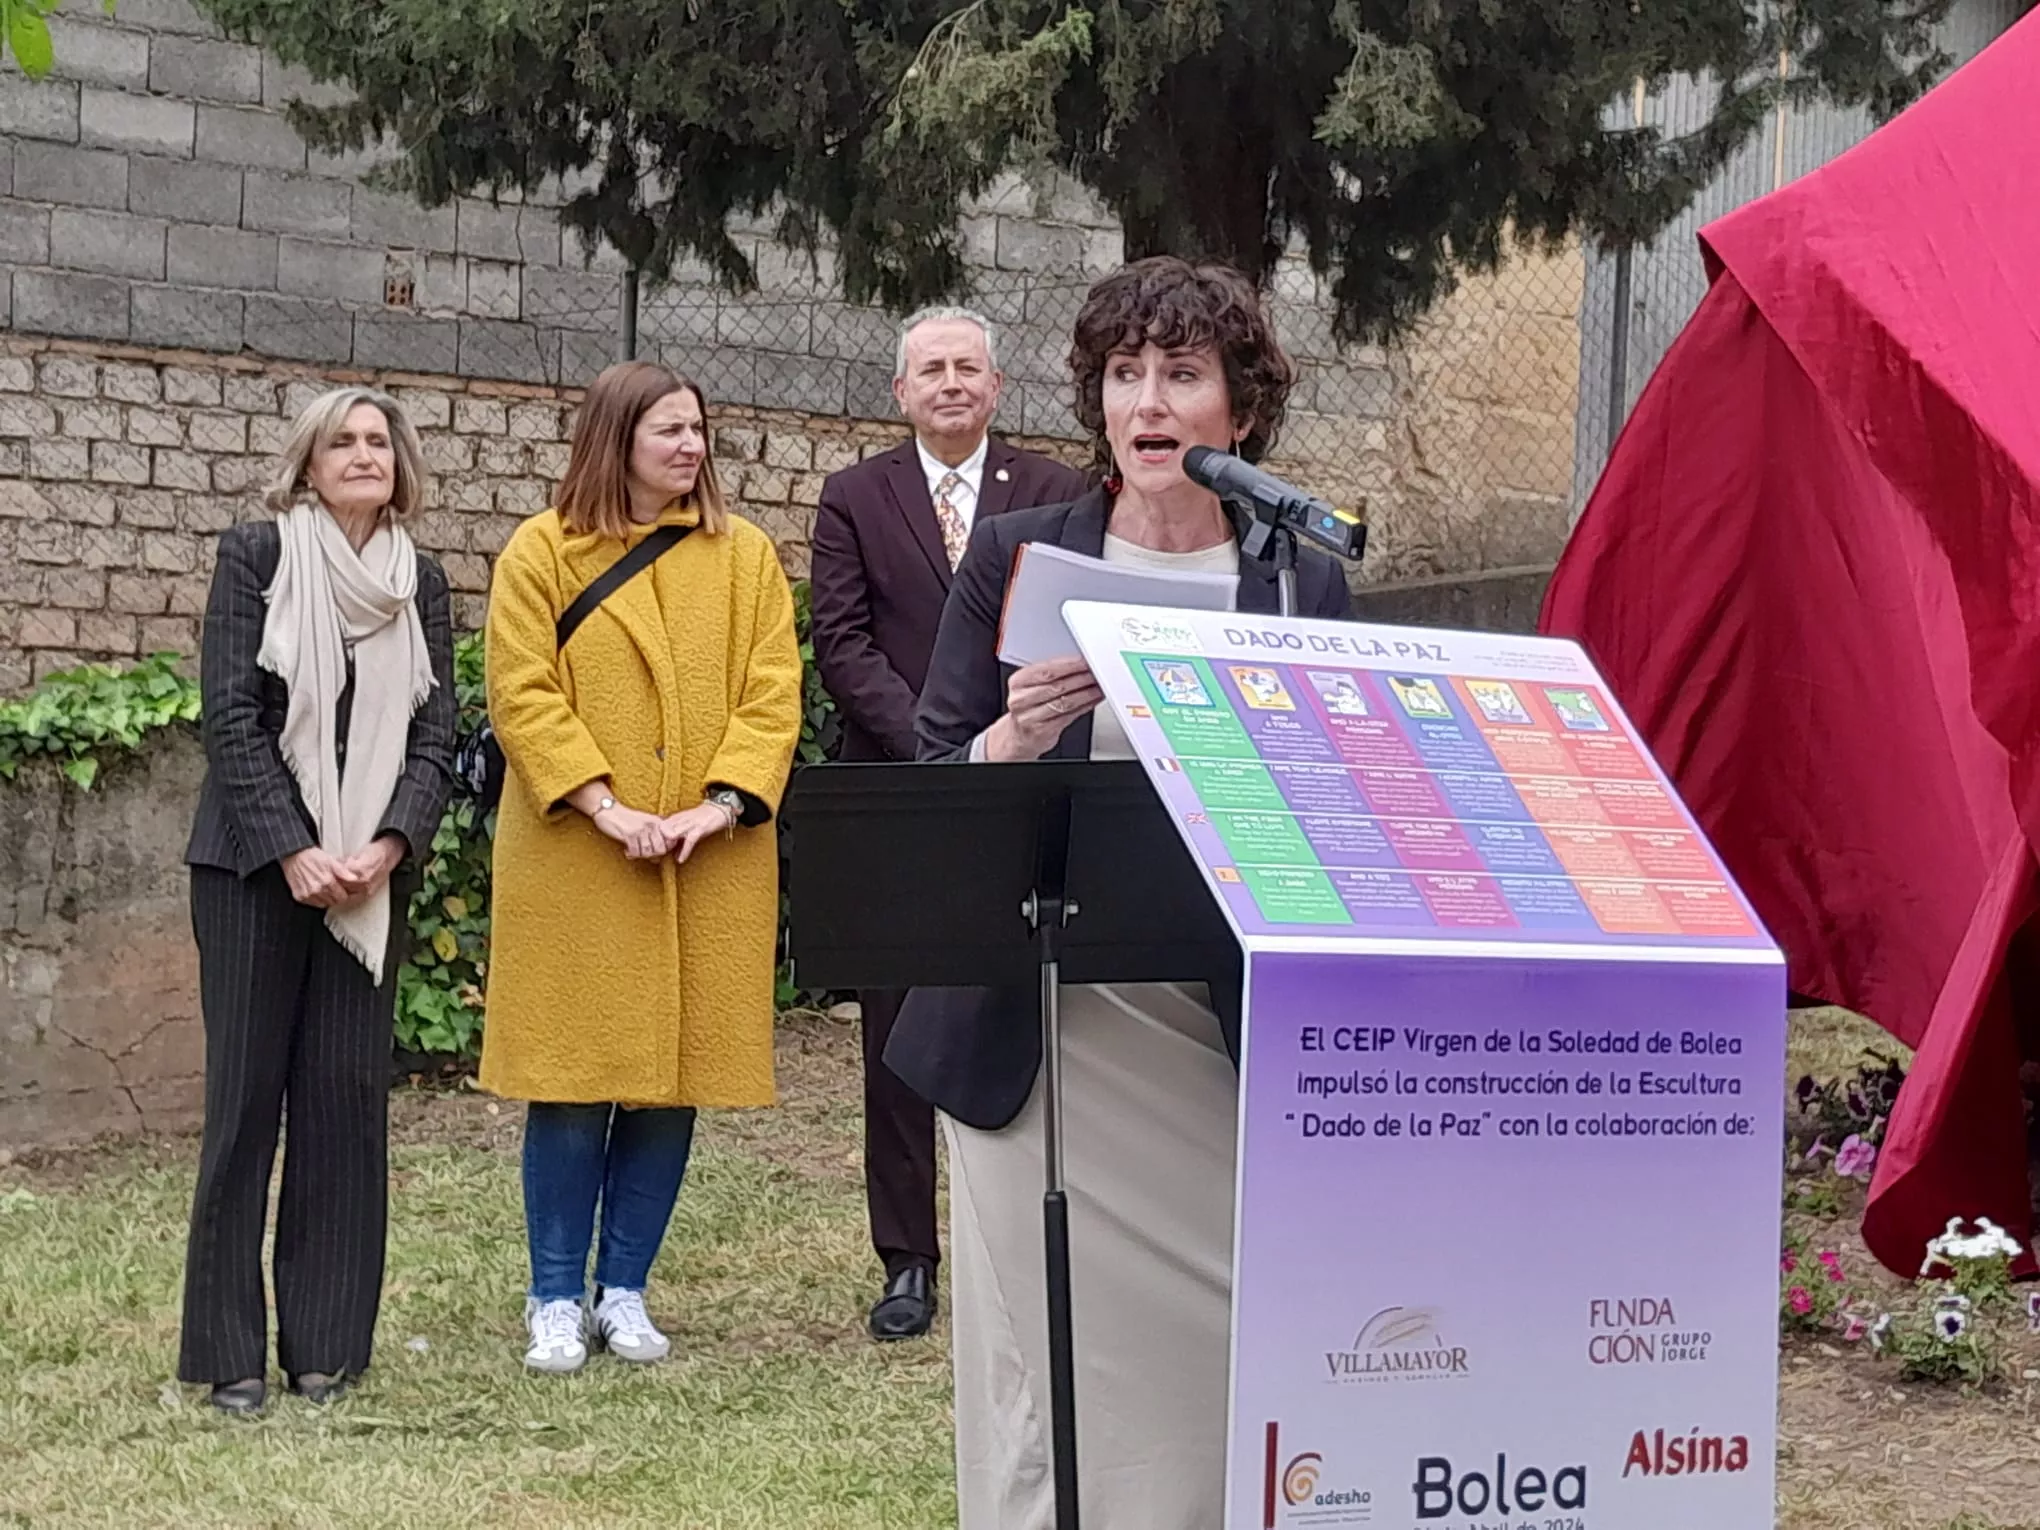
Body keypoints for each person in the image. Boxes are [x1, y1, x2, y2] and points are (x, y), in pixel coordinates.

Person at [899, 257, 1354, 1525]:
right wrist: (1013, 737)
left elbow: (1328, 824)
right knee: (1042, 1381)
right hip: (1038, 1036)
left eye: (1182, 373)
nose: (1148, 399)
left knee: (1207, 1369)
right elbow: (935, 774)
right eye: (1124, 373)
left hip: (1210, 1040)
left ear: (1241, 415)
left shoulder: (1292, 581)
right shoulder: (1015, 554)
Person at [479, 361, 802, 1375]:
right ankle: (552, 1297)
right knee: (573, 1082)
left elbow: (771, 695)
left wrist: (717, 807)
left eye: (698, 430)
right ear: (614, 437)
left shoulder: (744, 557)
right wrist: (606, 806)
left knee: (672, 1082)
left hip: (710, 860)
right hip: (578, 855)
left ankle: (624, 1290)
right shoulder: (542, 551)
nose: (690, 447)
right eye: (668, 430)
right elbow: (522, 692)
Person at [809, 305, 1089, 1342]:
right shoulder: (853, 498)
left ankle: (1021, 1244)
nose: (951, 384)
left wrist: (997, 738)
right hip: (903, 793)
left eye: (968, 367)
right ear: (902, 392)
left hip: (1024, 786)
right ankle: (908, 1260)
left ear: (996, 386)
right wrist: (938, 742)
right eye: (931, 370)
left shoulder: (1056, 492)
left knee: (1023, 1009)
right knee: (896, 1031)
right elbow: (839, 642)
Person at [180, 386, 456, 1415]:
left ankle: (325, 1350)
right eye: (341, 441)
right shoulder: (256, 558)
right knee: (244, 1107)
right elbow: (230, 717)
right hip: (255, 876)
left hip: (366, 884)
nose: (362, 454)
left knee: (344, 1111)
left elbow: (436, 733)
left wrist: (387, 846)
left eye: (379, 441)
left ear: (401, 465)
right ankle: (229, 1356)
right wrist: (294, 851)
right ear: (307, 463)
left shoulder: (417, 581)